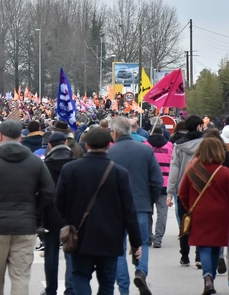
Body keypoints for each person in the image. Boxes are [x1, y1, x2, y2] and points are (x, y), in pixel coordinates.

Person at [0, 120, 55, 295]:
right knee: (20, 278)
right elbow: (48, 191)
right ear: (20, 137)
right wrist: (34, 209)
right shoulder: (35, 162)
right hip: (25, 226)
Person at [56, 128, 142, 295]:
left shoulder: (70, 169)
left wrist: (69, 221)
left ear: (86, 145)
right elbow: (129, 210)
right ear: (108, 146)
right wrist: (136, 240)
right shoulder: (119, 173)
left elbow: (59, 202)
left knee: (80, 275)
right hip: (110, 235)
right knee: (107, 281)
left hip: (80, 233)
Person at [107, 116, 162, 295]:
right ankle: (141, 271)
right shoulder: (145, 150)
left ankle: (124, 288)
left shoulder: (110, 153)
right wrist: (150, 200)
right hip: (140, 203)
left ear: (115, 133)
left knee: (119, 248)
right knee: (143, 242)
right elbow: (157, 180)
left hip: (116, 207)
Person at [178, 138, 229, 295]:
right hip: (220, 214)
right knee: (216, 247)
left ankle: (207, 277)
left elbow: (182, 192)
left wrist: (190, 207)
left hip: (199, 212)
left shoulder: (191, 169)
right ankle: (212, 280)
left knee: (203, 246)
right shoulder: (223, 171)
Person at [166, 115, 204, 267]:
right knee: (200, 222)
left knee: (184, 221)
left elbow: (174, 168)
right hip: (201, 187)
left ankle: (184, 256)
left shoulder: (178, 145)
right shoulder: (206, 144)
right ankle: (199, 255)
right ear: (199, 127)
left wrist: (170, 192)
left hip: (183, 188)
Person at [42, 130, 76, 295]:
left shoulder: (45, 165)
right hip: (72, 215)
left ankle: (51, 289)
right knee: (71, 253)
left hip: (51, 215)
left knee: (51, 254)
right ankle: (70, 289)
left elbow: (40, 193)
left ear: (49, 145)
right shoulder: (76, 164)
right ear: (66, 143)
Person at [146, 126, 172, 248]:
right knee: (162, 212)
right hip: (164, 183)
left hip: (148, 184)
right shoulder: (169, 146)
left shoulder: (145, 146)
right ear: (162, 133)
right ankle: (158, 238)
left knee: (147, 212)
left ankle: (148, 236)